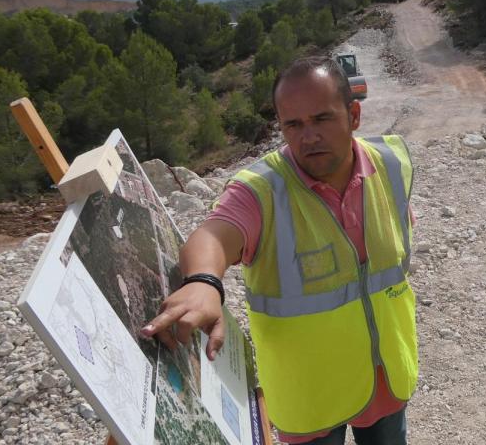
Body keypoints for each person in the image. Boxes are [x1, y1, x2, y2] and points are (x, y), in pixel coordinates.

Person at [141, 56, 417, 445]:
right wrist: (204, 282)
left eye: (322, 119)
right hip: (310, 396)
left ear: (354, 115)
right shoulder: (260, 189)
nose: (308, 137)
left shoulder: (391, 162)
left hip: (386, 375)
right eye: (294, 124)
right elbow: (214, 236)